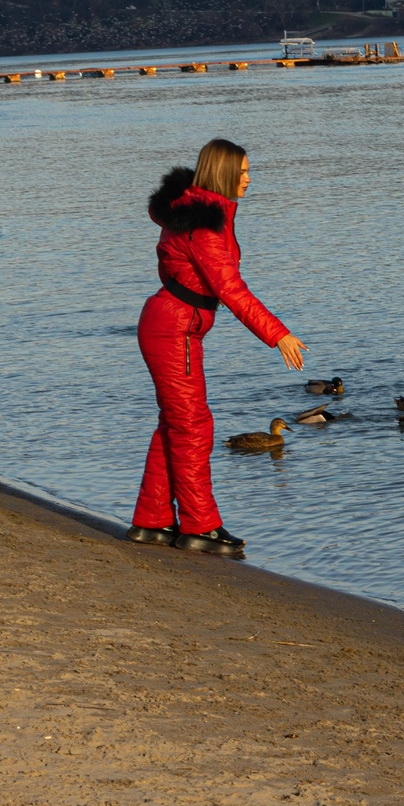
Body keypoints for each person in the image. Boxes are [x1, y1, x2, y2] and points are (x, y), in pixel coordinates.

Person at [128, 138, 303, 558]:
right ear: (224, 173)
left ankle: (152, 523)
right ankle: (200, 527)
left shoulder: (202, 213)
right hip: (175, 330)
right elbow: (230, 289)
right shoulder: (204, 226)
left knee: (176, 424)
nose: (249, 179)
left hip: (170, 324)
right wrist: (277, 334)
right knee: (193, 427)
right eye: (242, 172)